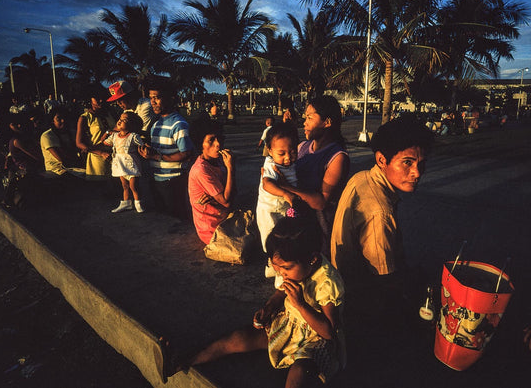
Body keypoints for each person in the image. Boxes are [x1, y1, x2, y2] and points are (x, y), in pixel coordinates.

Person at [183, 213, 345, 387]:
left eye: (286, 268)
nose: (282, 274)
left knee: (298, 374)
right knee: (239, 338)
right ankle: (186, 360)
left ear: (312, 259)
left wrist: (301, 305)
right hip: (289, 325)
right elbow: (283, 291)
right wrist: (269, 308)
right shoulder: (296, 268)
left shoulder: (327, 283)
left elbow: (328, 331)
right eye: (279, 269)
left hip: (315, 340)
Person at [329, 115, 432, 383]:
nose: (417, 173)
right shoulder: (380, 213)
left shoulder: (364, 176)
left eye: (421, 163)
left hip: (344, 278)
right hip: (360, 299)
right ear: (382, 160)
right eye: (407, 163)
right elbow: (385, 280)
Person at [274, 95, 350, 251]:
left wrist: (285, 187)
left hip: (318, 232)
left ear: (327, 122)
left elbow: (322, 202)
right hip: (297, 225)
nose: (305, 122)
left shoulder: (337, 157)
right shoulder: (302, 147)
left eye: (309, 117)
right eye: (305, 117)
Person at [139, 79, 194, 219]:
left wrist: (156, 157)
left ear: (171, 98)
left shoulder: (179, 124)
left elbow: (186, 154)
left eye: (157, 98)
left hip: (173, 182)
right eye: (151, 98)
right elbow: (159, 149)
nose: (153, 102)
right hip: (157, 180)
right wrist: (148, 150)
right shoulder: (156, 123)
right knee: (163, 220)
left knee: (177, 219)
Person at [256, 122, 299, 279]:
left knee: (285, 240)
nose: (288, 158)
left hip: (283, 209)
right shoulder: (271, 164)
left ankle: (278, 267)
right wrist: (285, 193)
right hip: (269, 211)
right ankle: (275, 268)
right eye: (282, 153)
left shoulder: (292, 164)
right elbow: (267, 184)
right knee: (272, 240)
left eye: (292, 152)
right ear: (270, 150)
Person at [188, 119, 235, 244]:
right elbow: (227, 202)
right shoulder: (201, 169)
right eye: (211, 140)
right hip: (211, 231)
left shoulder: (218, 161)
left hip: (223, 219)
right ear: (200, 143)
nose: (218, 144)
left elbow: (232, 194)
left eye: (220, 138)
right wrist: (231, 168)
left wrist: (217, 199)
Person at [100, 111, 146, 213]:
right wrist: (107, 132)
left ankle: (138, 203)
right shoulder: (114, 136)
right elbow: (103, 142)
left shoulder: (133, 136)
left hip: (131, 165)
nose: (120, 121)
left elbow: (142, 146)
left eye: (124, 120)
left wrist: (145, 152)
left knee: (133, 186)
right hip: (120, 164)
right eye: (120, 119)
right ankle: (126, 203)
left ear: (131, 125)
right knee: (124, 186)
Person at [3, 112, 43, 208]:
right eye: (15, 124)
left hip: (26, 167)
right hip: (25, 168)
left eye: (20, 123)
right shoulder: (17, 141)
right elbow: (36, 156)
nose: (19, 125)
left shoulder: (23, 137)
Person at [76, 91, 116, 178]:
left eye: (102, 97)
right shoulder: (84, 118)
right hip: (97, 162)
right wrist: (101, 153)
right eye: (97, 99)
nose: (101, 100)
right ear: (90, 101)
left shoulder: (110, 114)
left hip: (115, 158)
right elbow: (79, 143)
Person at [39, 107, 84, 177]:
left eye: (65, 118)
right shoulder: (47, 136)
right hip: (56, 171)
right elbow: (61, 157)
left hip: (74, 168)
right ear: (52, 121)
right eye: (58, 119)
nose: (63, 121)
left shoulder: (72, 132)